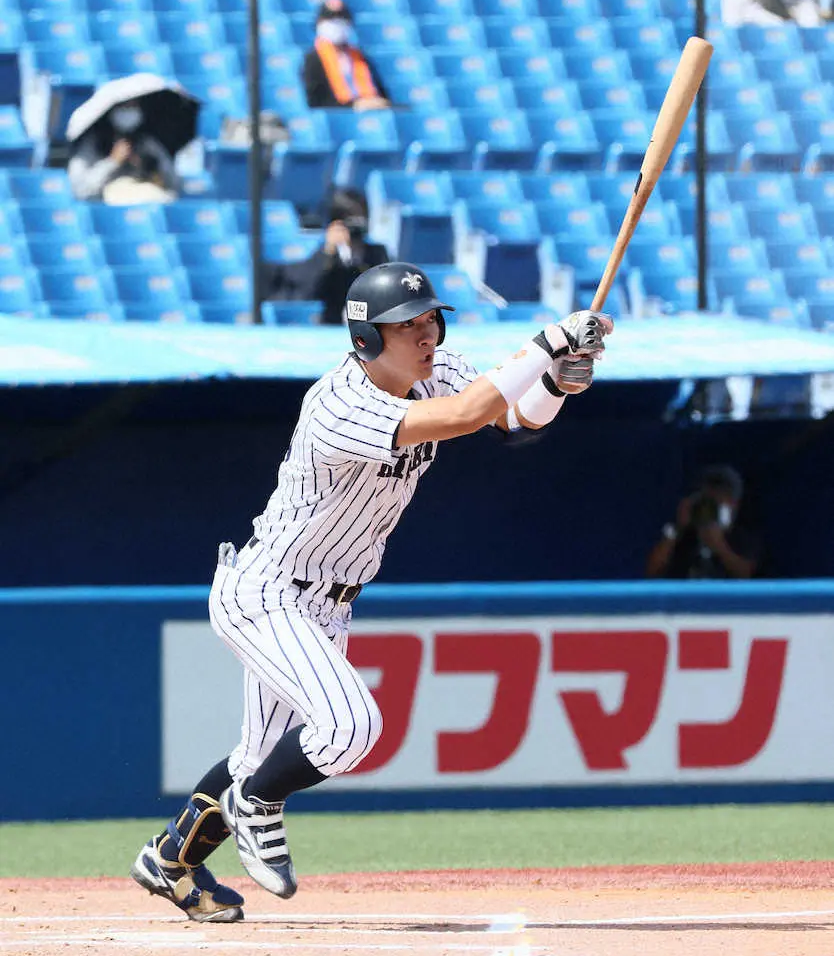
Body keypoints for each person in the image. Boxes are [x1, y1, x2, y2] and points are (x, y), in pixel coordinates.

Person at [130, 261, 614, 920]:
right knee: (351, 728)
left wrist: (559, 381)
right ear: (366, 338)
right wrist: (549, 343)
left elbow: (515, 419)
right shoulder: (339, 401)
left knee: (254, 755)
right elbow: (469, 416)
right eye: (405, 326)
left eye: (428, 319)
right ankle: (256, 804)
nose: (425, 334)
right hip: (267, 591)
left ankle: (170, 859)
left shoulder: (435, 370)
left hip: (327, 601)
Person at [265, 187, 389, 325]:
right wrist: (329, 251)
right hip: (329, 324)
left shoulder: (377, 254)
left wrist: (359, 257)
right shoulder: (323, 258)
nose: (356, 228)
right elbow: (310, 292)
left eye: (361, 220)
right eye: (351, 222)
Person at [646, 464, 762, 580]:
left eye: (720, 499)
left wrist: (719, 546)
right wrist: (677, 527)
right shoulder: (685, 534)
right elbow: (652, 571)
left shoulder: (742, 536)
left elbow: (747, 575)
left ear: (734, 505)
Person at [68, 98, 181, 205]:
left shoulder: (147, 143)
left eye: (133, 106)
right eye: (124, 105)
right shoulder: (92, 144)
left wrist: (147, 167)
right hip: (104, 209)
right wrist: (112, 161)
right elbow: (80, 189)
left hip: (145, 209)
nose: (129, 110)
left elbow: (173, 182)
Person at [302, 0, 391, 111]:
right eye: (331, 21)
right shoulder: (313, 59)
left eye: (342, 20)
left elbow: (380, 91)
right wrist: (353, 106)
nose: (337, 25)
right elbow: (316, 102)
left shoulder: (360, 56)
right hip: (340, 117)